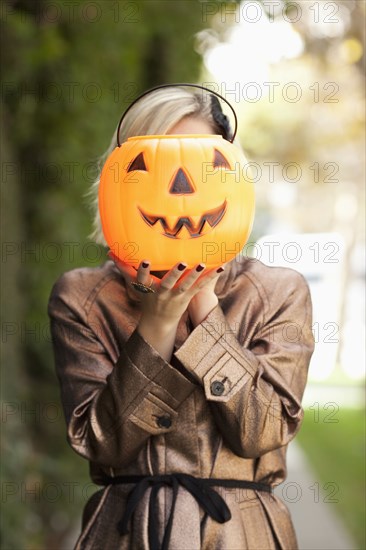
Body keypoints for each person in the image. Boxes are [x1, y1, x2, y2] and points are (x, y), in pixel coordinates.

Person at [48, 86, 315, 550]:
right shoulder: (84, 296)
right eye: (152, 166)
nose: (179, 190)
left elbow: (262, 433)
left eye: (199, 164)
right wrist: (156, 327)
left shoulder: (276, 291)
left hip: (240, 535)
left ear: (231, 177)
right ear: (119, 179)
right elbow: (100, 443)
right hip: (127, 533)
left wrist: (206, 310)